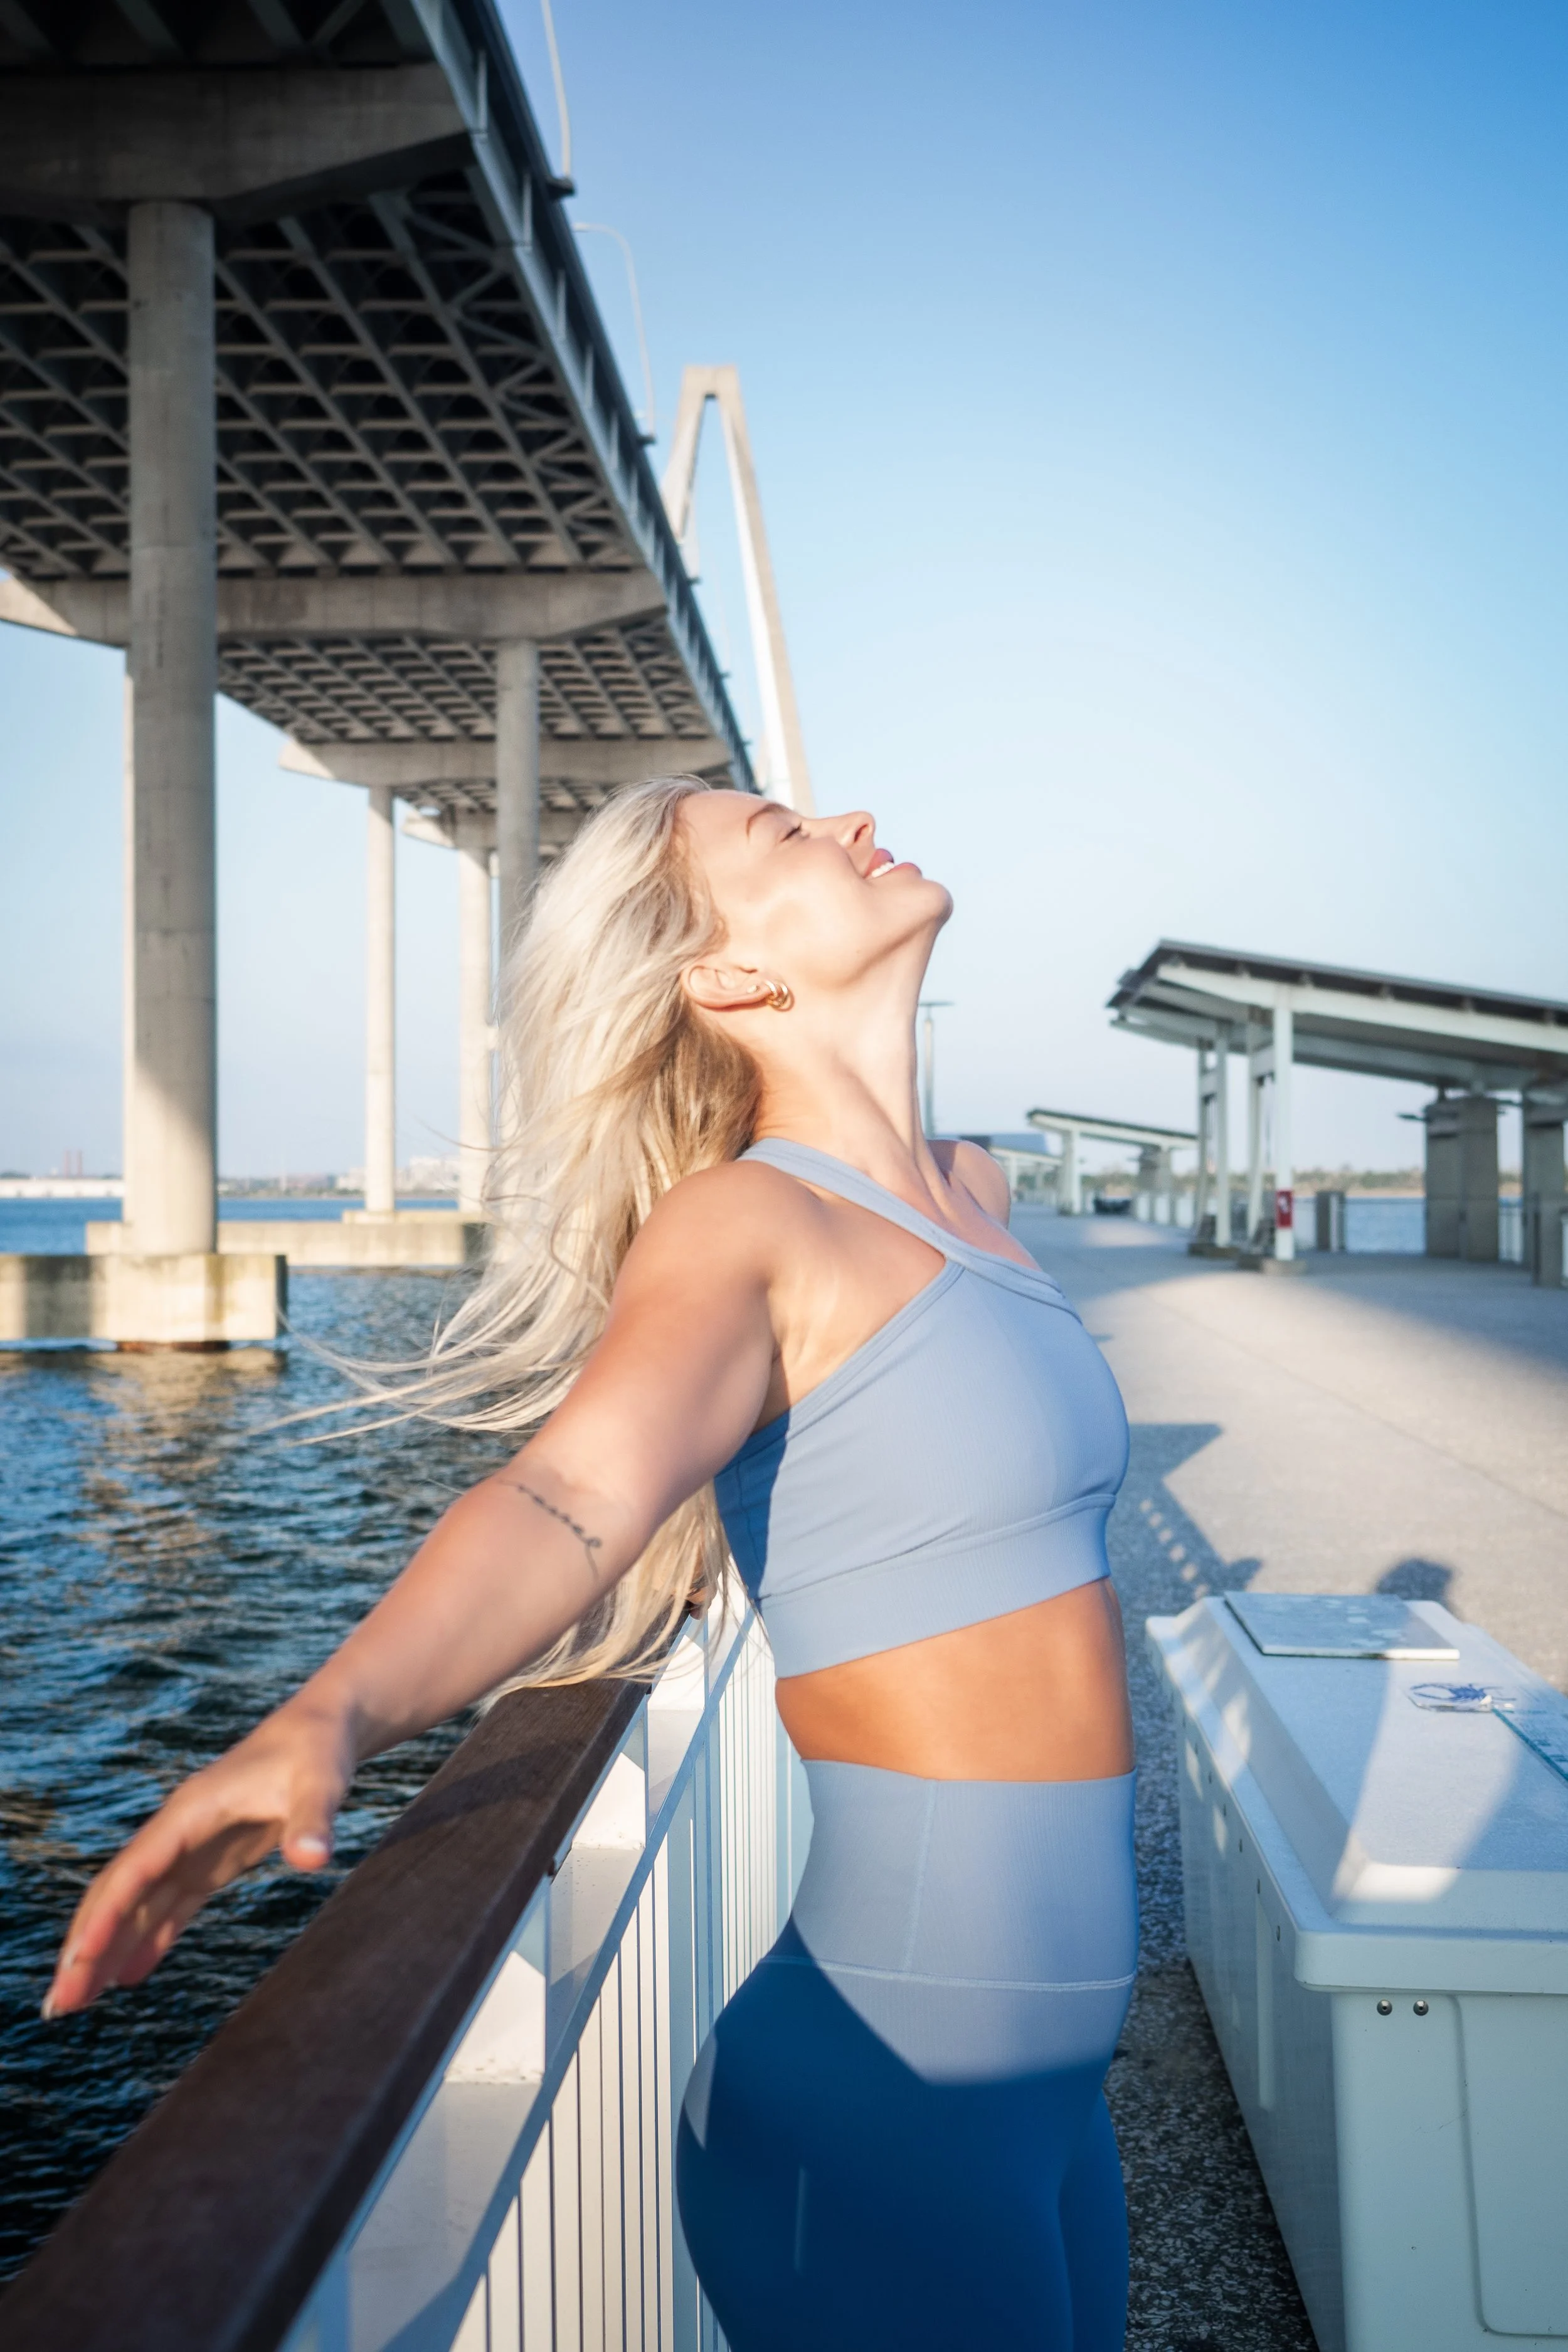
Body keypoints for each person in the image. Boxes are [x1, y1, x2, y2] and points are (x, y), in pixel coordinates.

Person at [45, 776, 1136, 2351]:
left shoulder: (977, 1193)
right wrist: (329, 1718)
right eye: (780, 834)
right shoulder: (745, 1225)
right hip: (886, 2105)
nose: (849, 817)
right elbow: (567, 1496)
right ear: (725, 978)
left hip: (1046, 2097)